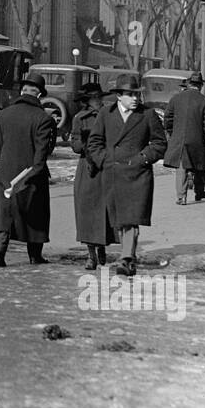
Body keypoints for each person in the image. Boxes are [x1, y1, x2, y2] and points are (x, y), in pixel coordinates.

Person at [87, 73, 168, 277]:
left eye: (137, 95)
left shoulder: (147, 115)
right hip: (112, 173)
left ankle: (126, 258)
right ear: (119, 96)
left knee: (131, 218)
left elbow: (160, 144)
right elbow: (94, 142)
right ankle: (128, 257)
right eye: (130, 95)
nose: (135, 99)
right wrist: (104, 160)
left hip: (137, 175)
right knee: (120, 220)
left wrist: (142, 158)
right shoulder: (106, 114)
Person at [0, 72, 57, 267]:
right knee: (35, 214)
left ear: (22, 91)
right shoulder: (43, 119)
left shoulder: (4, 114)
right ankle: (35, 256)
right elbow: (44, 151)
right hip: (31, 175)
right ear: (39, 95)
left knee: (4, 214)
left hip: (5, 171)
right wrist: (34, 170)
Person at [70, 82, 116, 270]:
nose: (98, 102)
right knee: (87, 211)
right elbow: (74, 145)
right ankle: (91, 255)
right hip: (88, 168)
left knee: (105, 209)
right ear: (87, 101)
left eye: (99, 98)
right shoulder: (79, 119)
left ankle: (102, 247)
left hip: (106, 166)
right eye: (94, 99)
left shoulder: (110, 115)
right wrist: (89, 144)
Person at [163, 70, 205, 206]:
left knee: (181, 168)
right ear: (200, 86)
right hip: (197, 139)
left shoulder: (176, 98)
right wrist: (204, 137)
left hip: (179, 139)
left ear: (189, 84)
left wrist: (172, 133)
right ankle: (199, 192)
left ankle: (181, 197)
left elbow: (167, 118)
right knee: (201, 165)